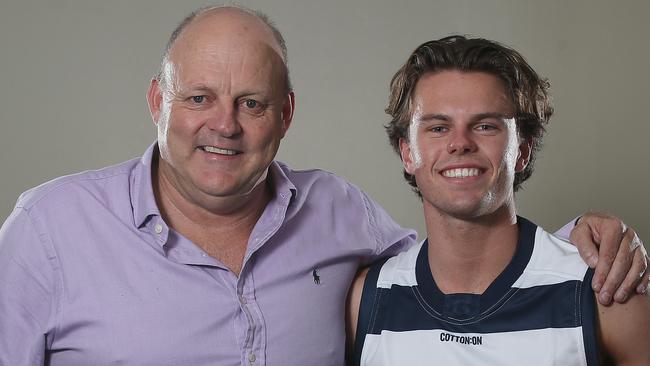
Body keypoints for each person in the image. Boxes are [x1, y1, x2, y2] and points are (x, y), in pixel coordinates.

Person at [0, 6, 645, 366]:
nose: (223, 126)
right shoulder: (50, 231)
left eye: (252, 103)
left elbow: (455, 263)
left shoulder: (338, 214)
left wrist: (579, 247)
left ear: (285, 116)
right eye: (199, 97)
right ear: (156, 102)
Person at [347, 35, 650, 365]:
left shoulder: (605, 291)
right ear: (407, 153)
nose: (460, 143)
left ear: (522, 150)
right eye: (437, 128)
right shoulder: (367, 299)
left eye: (486, 126)